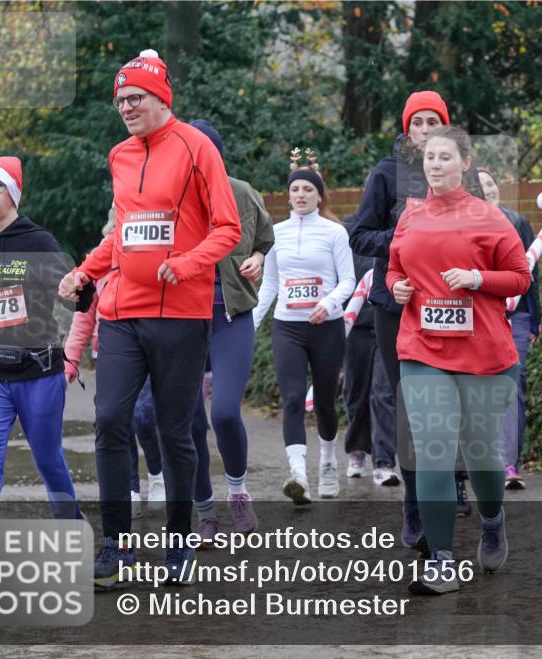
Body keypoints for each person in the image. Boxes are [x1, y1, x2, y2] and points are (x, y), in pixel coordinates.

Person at [58, 49, 241, 588]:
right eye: (119, 101)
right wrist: (84, 273)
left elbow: (227, 228)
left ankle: (180, 539)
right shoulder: (118, 155)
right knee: (111, 419)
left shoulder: (197, 147)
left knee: (173, 430)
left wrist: (184, 265)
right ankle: (116, 544)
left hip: (180, 315)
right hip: (120, 311)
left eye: (135, 98)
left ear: (161, 96)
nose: (126, 108)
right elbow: (121, 234)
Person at [386, 126, 531, 594]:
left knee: (481, 454)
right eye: (429, 157)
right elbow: (393, 267)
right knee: (432, 449)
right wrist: (396, 287)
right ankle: (442, 562)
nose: (435, 164)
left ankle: (492, 518)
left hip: (483, 353)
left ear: (465, 163)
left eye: (445, 157)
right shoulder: (410, 217)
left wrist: (476, 277)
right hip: (422, 347)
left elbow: (520, 278)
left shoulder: (490, 218)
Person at [349, 90, 486, 547]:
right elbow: (360, 236)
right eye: (418, 122)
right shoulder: (388, 175)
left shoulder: (467, 181)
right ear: (408, 130)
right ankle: (413, 506)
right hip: (399, 304)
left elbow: (488, 240)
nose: (426, 130)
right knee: (411, 406)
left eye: (434, 121)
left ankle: (453, 480)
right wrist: (403, 235)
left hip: (454, 307)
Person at [0, 156, 83, 554]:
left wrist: (77, 291)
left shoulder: (38, 242)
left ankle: (71, 528)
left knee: (48, 459)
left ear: (14, 193)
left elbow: (74, 293)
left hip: (39, 372)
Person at [186, 118, 274, 541]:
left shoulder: (242, 193)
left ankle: (238, 494)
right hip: (182, 320)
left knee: (222, 412)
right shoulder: (172, 200)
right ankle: (205, 513)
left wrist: (257, 256)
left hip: (230, 316)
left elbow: (265, 238)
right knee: (188, 422)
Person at [253, 150, 355, 504]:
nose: (300, 195)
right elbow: (269, 285)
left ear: (319, 195)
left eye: (307, 190)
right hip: (287, 328)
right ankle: (298, 474)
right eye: (295, 189)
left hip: (326, 328)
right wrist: (249, 322)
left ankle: (327, 462)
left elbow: (349, 282)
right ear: (288, 194)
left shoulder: (334, 232)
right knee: (294, 398)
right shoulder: (275, 233)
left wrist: (328, 304)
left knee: (325, 402)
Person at [63, 207, 165, 518]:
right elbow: (83, 318)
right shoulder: (97, 261)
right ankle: (130, 487)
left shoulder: (151, 254)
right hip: (107, 351)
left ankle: (158, 475)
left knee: (144, 416)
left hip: (148, 348)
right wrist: (69, 360)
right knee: (114, 421)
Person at [476, 168, 542, 490]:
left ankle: (509, 463)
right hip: (479, 315)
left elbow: (532, 270)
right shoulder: (463, 227)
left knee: (513, 381)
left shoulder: (518, 222)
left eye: (490, 183)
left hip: (517, 316)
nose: (487, 189)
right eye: (480, 185)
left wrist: (535, 316)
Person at [341, 214, 399, 486]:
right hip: (356, 326)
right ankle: (356, 449)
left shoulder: (403, 226)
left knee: (384, 392)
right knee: (356, 390)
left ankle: (384, 461)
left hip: (388, 322)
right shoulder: (350, 230)